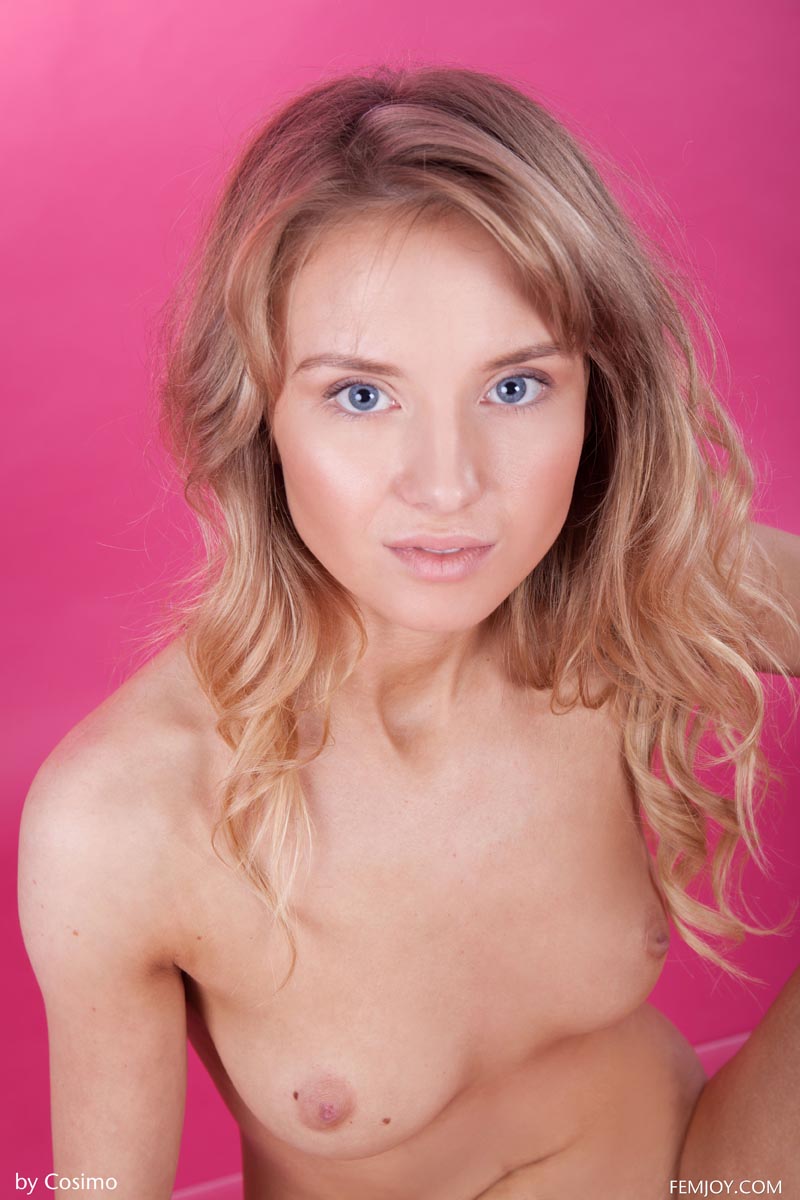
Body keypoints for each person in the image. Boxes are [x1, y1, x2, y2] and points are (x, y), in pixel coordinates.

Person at [17, 63, 800, 1200]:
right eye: (361, 396)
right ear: (258, 414)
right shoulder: (123, 819)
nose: (447, 486)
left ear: (598, 397)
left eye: (515, 387)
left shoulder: (623, 598)